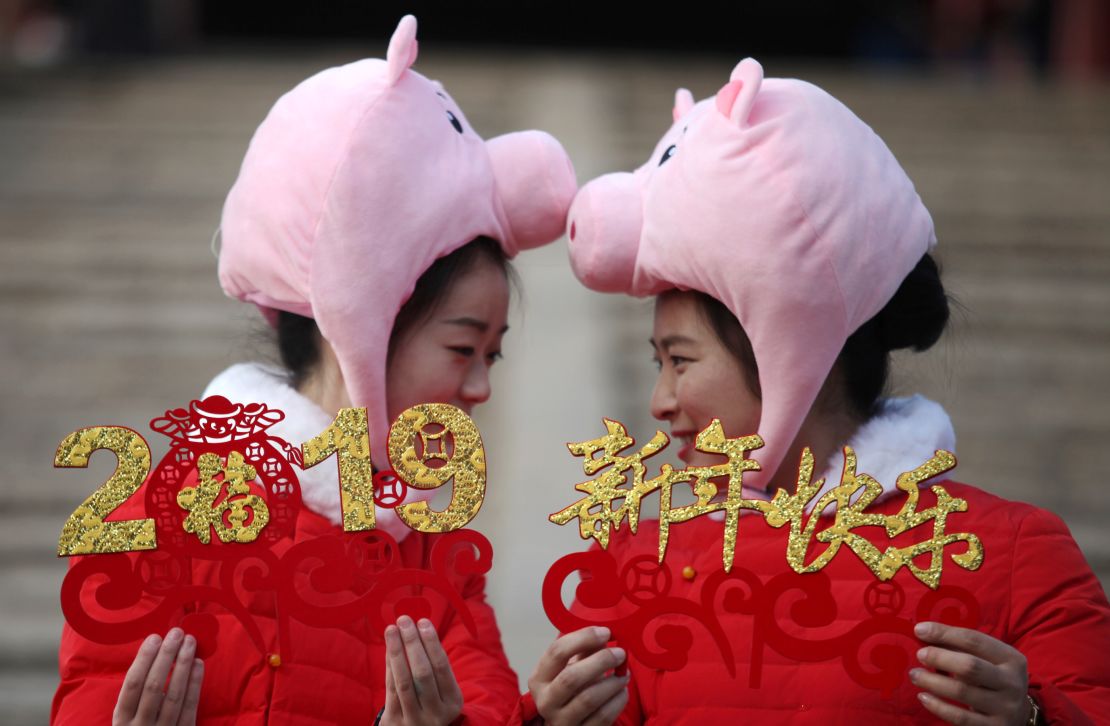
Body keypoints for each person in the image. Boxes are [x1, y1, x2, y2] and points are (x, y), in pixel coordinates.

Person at [523, 58, 1110, 724]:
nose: (660, 402)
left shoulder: (1012, 554)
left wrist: (1033, 719)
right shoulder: (639, 566)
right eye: (656, 362)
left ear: (787, 349)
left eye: (681, 360)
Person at [51, 14, 577, 725]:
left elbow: (484, 705)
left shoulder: (435, 550)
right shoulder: (157, 521)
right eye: (462, 349)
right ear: (361, 324)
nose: (481, 387)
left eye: (494, 355)